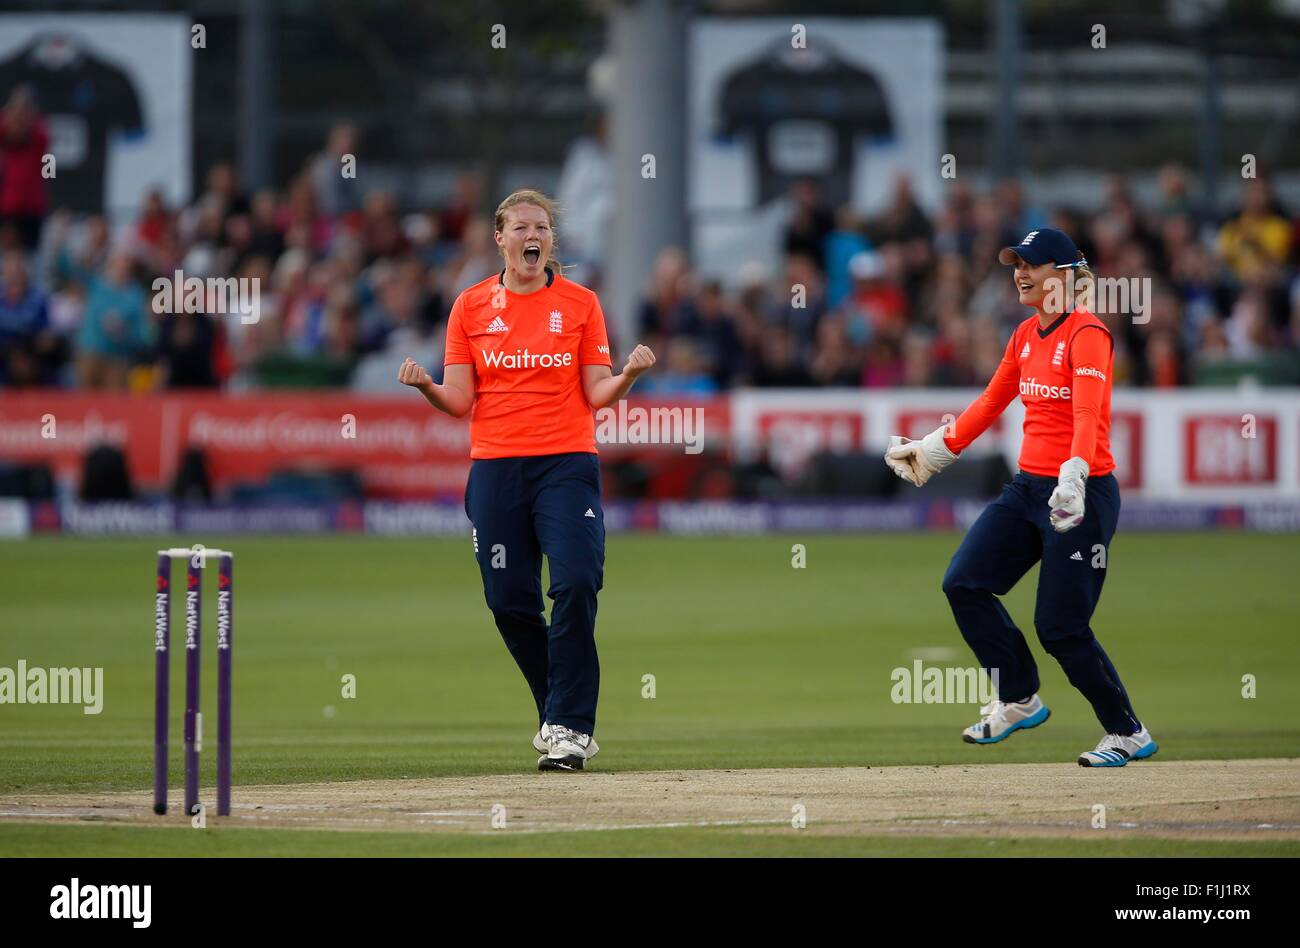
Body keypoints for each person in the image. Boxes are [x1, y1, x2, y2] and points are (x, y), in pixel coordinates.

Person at [398, 189, 655, 771]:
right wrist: (426, 388)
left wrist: (629, 376)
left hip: (566, 463)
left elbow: (596, 392)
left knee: (577, 581)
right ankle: (557, 714)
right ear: (500, 238)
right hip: (496, 468)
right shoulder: (469, 307)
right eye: (520, 227)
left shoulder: (582, 304)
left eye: (540, 228)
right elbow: (461, 400)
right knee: (509, 600)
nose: (531, 236)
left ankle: (570, 726)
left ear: (549, 242)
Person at [884, 227, 1157, 768]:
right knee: (964, 582)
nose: (1020, 274)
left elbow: (1087, 414)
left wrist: (1074, 475)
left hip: (1082, 493)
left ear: (1065, 275)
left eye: (1032, 265)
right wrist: (934, 451)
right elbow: (991, 401)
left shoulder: (1088, 334)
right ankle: (1019, 696)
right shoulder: (1025, 335)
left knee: (1060, 628)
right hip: (1029, 488)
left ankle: (1128, 733)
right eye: (1016, 265)